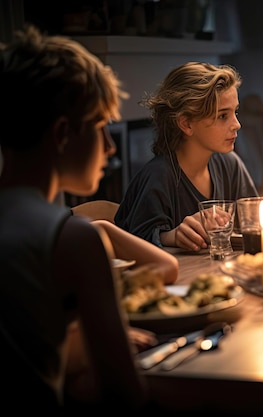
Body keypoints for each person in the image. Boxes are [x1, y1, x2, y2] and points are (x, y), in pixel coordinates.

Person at [0, 25, 153, 410]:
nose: (110, 146)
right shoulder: (74, 239)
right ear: (64, 134)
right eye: (101, 127)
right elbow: (123, 393)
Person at [114, 62, 259, 251]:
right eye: (223, 116)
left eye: (235, 112)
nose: (237, 124)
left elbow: (254, 225)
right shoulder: (159, 176)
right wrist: (171, 236)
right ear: (186, 124)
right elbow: (132, 243)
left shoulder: (230, 165)